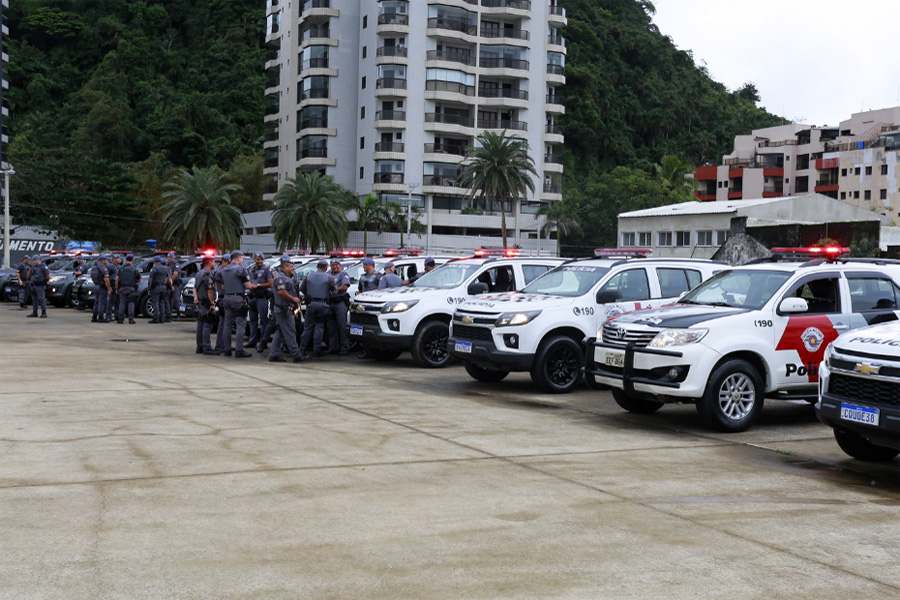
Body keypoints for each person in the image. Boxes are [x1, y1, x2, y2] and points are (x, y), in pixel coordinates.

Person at [268, 256, 307, 363]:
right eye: (291, 267)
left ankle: (274, 354)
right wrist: (293, 298)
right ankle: (296, 355)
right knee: (290, 332)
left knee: (280, 332)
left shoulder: (287, 277)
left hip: (286, 309)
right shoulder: (281, 278)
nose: (293, 268)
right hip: (284, 310)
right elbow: (281, 292)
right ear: (284, 267)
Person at [298, 259, 336, 357]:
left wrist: (309, 295)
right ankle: (317, 350)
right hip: (323, 305)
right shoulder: (329, 277)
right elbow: (334, 292)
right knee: (319, 327)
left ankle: (302, 349)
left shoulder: (308, 276)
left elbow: (302, 289)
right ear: (325, 267)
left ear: (317, 267)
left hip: (311, 304)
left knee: (307, 327)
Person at [219, 250, 253, 358]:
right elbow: (248, 285)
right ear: (238, 258)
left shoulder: (224, 270)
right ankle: (239, 350)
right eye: (242, 259)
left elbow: (223, 287)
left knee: (227, 324)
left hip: (227, 297)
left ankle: (227, 349)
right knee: (240, 324)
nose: (242, 261)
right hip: (238, 298)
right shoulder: (240, 269)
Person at [246, 252, 274, 352]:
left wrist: (257, 286)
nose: (260, 261)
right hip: (252, 297)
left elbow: (271, 283)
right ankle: (252, 340)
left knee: (263, 321)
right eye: (258, 259)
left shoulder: (266, 269)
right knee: (252, 321)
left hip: (262, 297)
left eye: (261, 259)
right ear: (254, 260)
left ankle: (263, 342)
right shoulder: (250, 269)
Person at [193, 255, 220, 355]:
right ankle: (207, 347)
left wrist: (196, 298)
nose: (215, 264)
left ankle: (199, 346)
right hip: (206, 303)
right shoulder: (207, 275)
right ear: (209, 263)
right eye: (213, 262)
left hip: (200, 302)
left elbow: (195, 288)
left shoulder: (199, 274)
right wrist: (212, 304)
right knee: (207, 325)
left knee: (200, 324)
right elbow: (210, 291)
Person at [327, 259, 351, 355]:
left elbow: (345, 286)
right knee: (331, 326)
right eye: (333, 265)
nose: (334, 267)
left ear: (340, 265)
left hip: (340, 302)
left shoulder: (343, 275)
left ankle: (345, 347)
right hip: (330, 302)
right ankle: (333, 347)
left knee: (342, 325)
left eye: (336, 265)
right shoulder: (327, 274)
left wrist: (334, 290)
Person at [213, 253, 231, 352]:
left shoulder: (222, 271)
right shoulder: (221, 272)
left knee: (225, 323)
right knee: (223, 323)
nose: (229, 266)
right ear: (223, 262)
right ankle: (220, 345)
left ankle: (224, 344)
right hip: (223, 298)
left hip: (224, 298)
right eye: (228, 263)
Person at [116, 254, 142, 324]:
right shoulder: (134, 269)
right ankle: (131, 319)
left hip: (122, 288)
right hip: (131, 288)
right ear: (133, 260)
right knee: (131, 303)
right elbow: (139, 280)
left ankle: (120, 319)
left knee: (122, 303)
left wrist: (117, 288)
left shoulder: (121, 269)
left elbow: (117, 279)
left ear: (126, 259)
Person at [147, 255, 170, 324]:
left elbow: (151, 279)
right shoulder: (165, 268)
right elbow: (167, 278)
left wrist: (149, 288)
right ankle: (162, 318)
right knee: (162, 302)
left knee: (155, 302)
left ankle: (156, 318)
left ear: (154, 261)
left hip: (156, 287)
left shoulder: (154, 268)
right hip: (163, 287)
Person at [89, 254, 112, 323]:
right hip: (102, 287)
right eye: (106, 260)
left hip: (96, 286)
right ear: (102, 261)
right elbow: (106, 279)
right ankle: (101, 317)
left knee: (96, 302)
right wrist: (109, 288)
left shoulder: (94, 267)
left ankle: (94, 317)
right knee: (102, 302)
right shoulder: (103, 268)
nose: (107, 261)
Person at [164, 252, 182, 322]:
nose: (168, 259)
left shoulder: (176, 265)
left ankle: (178, 314)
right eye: (168, 257)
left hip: (175, 284)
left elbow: (175, 274)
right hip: (169, 284)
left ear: (173, 258)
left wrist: (170, 281)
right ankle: (169, 315)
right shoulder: (168, 265)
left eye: (169, 257)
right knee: (169, 300)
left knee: (176, 300)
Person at [105, 254, 122, 323]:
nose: (119, 259)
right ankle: (108, 316)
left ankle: (117, 316)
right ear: (114, 259)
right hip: (112, 284)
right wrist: (109, 287)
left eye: (119, 258)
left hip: (118, 286)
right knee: (110, 302)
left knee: (117, 302)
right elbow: (106, 276)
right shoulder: (110, 266)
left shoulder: (119, 266)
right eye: (117, 258)